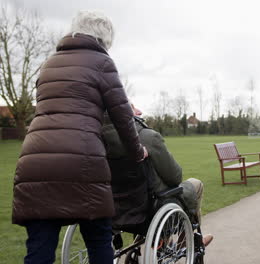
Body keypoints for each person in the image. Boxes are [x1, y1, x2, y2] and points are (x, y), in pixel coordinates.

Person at [12, 11, 147, 264]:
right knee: (98, 239)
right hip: (82, 162)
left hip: (34, 161)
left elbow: (64, 103)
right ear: (105, 39)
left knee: (39, 248)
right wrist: (138, 152)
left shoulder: (48, 64)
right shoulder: (102, 62)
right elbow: (122, 120)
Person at [102, 104, 214, 246]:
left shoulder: (97, 141)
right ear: (123, 113)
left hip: (116, 208)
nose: (140, 111)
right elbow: (175, 177)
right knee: (195, 184)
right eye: (133, 107)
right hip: (151, 208)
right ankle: (188, 239)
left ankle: (162, 240)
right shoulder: (148, 137)